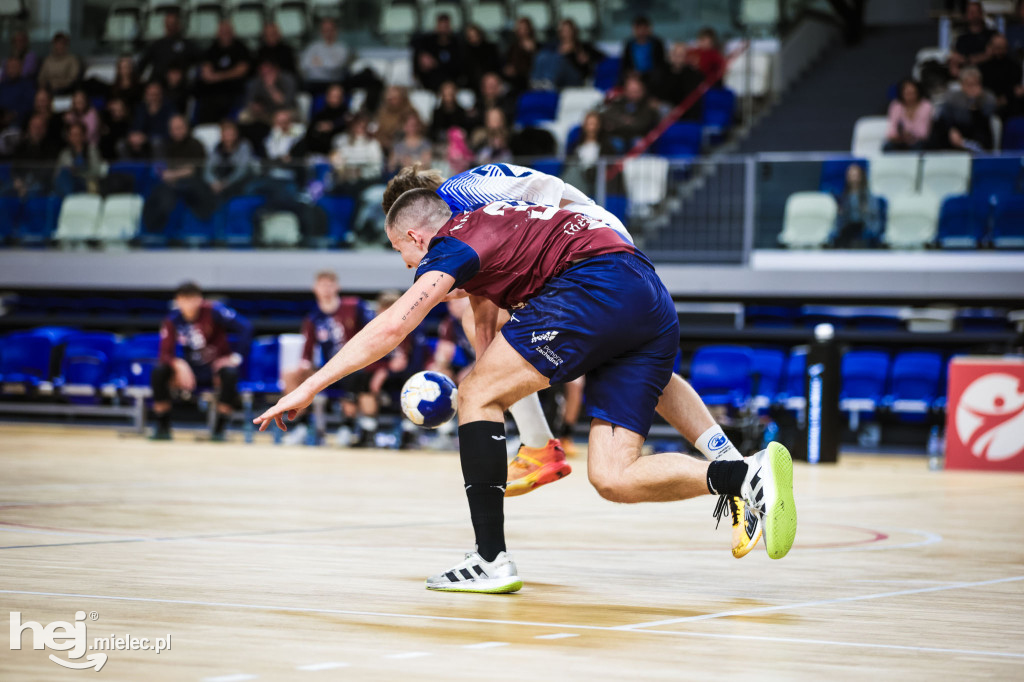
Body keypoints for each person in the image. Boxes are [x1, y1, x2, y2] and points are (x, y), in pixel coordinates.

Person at [254, 189, 796, 592]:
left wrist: (309, 387)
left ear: (416, 238)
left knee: (473, 396)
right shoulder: (499, 215)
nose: (408, 267)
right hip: (645, 292)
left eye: (403, 255)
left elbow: (394, 326)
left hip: (591, 285)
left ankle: (490, 559)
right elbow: (488, 336)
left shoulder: (452, 245)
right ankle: (743, 474)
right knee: (612, 476)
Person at [378, 163, 761, 557]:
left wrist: (487, 393)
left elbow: (541, 216)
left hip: (586, 254)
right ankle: (736, 468)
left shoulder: (463, 200)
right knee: (644, 372)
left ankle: (538, 444)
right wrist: (490, 392)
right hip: (600, 247)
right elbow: (486, 313)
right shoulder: (470, 202)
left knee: (478, 320)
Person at [280, 271, 373, 446]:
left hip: (356, 364)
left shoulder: (353, 306)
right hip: (330, 367)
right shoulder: (314, 318)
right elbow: (307, 351)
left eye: (330, 285)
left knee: (355, 375)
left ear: (337, 287)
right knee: (290, 375)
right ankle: (300, 425)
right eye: (322, 285)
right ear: (315, 289)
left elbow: (372, 330)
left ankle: (346, 426)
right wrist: (304, 366)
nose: (326, 289)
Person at [152, 282, 252, 441]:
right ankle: (162, 426)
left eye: (192, 299)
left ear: (200, 299)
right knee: (159, 371)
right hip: (190, 369)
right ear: (177, 300)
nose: (189, 304)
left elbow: (245, 326)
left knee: (230, 374)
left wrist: (235, 358)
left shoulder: (214, 311)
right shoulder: (172, 319)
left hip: (214, 366)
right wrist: (179, 364)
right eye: (184, 299)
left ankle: (219, 429)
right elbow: (164, 353)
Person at [141, 114, 214, 234]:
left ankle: (198, 233)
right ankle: (154, 233)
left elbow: (192, 169)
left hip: (192, 183)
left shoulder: (195, 144)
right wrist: (166, 175)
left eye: (180, 127)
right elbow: (158, 168)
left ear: (186, 127)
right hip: (169, 184)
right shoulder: (165, 145)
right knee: (155, 197)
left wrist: (173, 175)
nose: (177, 131)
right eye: (174, 128)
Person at [195, 20, 252, 124]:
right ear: (217, 33)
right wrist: (228, 74)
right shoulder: (212, 49)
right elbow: (206, 73)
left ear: (233, 32)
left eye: (228, 31)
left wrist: (217, 77)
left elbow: (242, 70)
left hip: (235, 92)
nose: (225, 34)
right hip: (213, 94)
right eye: (222, 32)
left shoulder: (241, 48)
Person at [929, 66, 996, 151]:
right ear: (962, 84)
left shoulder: (988, 98)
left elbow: (985, 120)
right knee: (938, 131)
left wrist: (975, 104)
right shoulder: (953, 97)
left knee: (981, 134)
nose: (972, 88)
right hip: (957, 131)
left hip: (977, 131)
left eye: (975, 83)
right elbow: (944, 117)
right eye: (968, 84)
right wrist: (951, 130)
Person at [137, 9, 201, 84]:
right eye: (168, 24)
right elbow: (142, 64)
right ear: (165, 25)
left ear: (178, 25)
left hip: (181, 87)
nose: (170, 27)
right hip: (159, 86)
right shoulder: (157, 45)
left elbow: (201, 61)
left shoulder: (187, 45)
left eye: (173, 24)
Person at [829, 164, 882, 248]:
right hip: (847, 230)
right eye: (850, 175)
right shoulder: (843, 197)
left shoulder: (869, 198)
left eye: (855, 175)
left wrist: (866, 211)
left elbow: (874, 218)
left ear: (861, 176)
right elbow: (840, 219)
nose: (852, 178)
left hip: (864, 228)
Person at [602, 72, 661, 147]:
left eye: (636, 92)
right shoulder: (618, 102)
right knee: (614, 144)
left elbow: (642, 125)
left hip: (638, 136)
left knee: (638, 143)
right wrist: (626, 121)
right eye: (631, 91)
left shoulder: (648, 105)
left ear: (643, 91)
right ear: (625, 91)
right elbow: (608, 115)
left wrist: (619, 123)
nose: (633, 94)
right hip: (618, 136)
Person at [565, 111, 616, 195]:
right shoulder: (576, 146)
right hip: (579, 176)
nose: (591, 128)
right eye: (589, 124)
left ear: (599, 125)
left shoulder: (605, 146)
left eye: (594, 124)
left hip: (596, 179)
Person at [651, 43, 705, 121]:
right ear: (670, 55)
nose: (677, 57)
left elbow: (692, 97)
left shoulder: (693, 74)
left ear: (686, 57)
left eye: (680, 55)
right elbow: (654, 92)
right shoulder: (661, 71)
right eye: (675, 54)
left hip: (685, 110)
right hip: (664, 108)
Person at [204, 119, 254, 203]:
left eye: (231, 135)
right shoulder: (217, 148)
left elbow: (242, 170)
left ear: (236, 135)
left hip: (237, 181)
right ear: (222, 136)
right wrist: (213, 182)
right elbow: (208, 169)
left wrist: (226, 183)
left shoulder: (244, 146)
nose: (229, 138)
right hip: (219, 180)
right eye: (226, 135)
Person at [10, 114, 60, 197]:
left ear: (45, 129)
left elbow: (48, 170)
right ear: (29, 128)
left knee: (35, 191)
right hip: (21, 182)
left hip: (41, 183)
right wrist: (17, 180)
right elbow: (14, 167)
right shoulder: (21, 147)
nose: (37, 130)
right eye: (34, 127)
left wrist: (28, 184)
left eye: (40, 127)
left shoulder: (52, 147)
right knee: (5, 191)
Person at [239, 60, 298, 128]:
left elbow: (285, 102)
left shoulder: (287, 79)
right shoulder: (256, 82)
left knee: (282, 117)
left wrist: (271, 87)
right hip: (266, 111)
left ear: (276, 70)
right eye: (263, 72)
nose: (266, 74)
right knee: (244, 116)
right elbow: (249, 101)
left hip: (286, 110)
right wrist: (255, 107)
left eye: (269, 71)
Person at [412, 13, 462, 91]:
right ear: (436, 27)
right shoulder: (427, 42)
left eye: (445, 27)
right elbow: (413, 43)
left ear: (450, 27)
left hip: (452, 82)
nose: (443, 30)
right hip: (430, 83)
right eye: (440, 27)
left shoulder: (457, 43)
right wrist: (421, 56)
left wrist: (436, 63)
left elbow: (457, 66)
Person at [977, 34, 1024, 117]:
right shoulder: (982, 67)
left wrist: (1004, 99)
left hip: (1009, 103)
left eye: (1003, 48)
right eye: (997, 48)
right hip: (986, 102)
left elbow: (1016, 89)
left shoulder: (1014, 66)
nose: (1000, 51)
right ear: (990, 47)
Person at [300, 18, 349, 96]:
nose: (328, 33)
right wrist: (325, 63)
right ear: (321, 32)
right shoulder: (313, 47)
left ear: (335, 31)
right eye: (325, 30)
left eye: (330, 30)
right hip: (313, 83)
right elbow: (304, 64)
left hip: (333, 83)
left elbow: (335, 66)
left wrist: (318, 62)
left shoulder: (342, 48)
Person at [331, 113, 384, 184]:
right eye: (357, 126)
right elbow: (337, 162)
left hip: (366, 181)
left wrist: (360, 173)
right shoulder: (343, 141)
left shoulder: (373, 145)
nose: (359, 129)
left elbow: (377, 169)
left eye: (362, 127)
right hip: (345, 180)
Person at [54, 122, 102, 195]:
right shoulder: (65, 153)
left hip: (87, 182)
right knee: (64, 174)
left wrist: (81, 170)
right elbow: (57, 173)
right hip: (70, 183)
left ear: (83, 136)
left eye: (78, 135)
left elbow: (97, 170)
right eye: (72, 135)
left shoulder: (91, 150)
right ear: (69, 137)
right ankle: (69, 198)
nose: (75, 138)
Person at [883, 79, 933, 151]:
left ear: (918, 92)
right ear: (902, 93)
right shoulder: (896, 105)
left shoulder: (926, 105)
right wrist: (898, 136)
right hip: (899, 141)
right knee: (888, 147)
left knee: (918, 146)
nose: (910, 96)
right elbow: (892, 130)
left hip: (918, 141)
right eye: (907, 93)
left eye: (912, 93)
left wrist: (910, 134)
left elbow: (923, 133)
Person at [950, 1, 997, 74]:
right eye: (970, 12)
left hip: (990, 75)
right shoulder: (961, 39)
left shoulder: (992, 35)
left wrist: (966, 60)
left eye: (975, 11)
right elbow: (957, 59)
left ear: (981, 14)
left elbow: (992, 54)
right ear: (965, 15)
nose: (973, 15)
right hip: (969, 77)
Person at [303, 83, 349, 157]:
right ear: (327, 97)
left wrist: (332, 126)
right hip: (319, 153)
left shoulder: (346, 116)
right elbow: (309, 135)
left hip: (341, 153)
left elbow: (347, 125)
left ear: (342, 98)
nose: (334, 100)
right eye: (332, 96)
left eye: (337, 97)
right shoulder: (320, 115)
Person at [621, 15, 666, 87]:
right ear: (634, 29)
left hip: (652, 76)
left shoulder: (657, 43)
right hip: (634, 76)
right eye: (638, 28)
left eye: (644, 28)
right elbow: (625, 64)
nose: (641, 32)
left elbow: (661, 64)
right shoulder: (629, 44)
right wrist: (631, 73)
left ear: (649, 29)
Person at [131, 81, 175, 154]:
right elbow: (135, 126)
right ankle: (130, 165)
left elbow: (169, 132)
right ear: (146, 95)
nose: (153, 98)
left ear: (161, 95)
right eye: (150, 95)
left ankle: (159, 165)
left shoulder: (168, 108)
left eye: (156, 95)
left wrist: (147, 137)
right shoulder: (141, 108)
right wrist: (132, 136)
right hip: (142, 140)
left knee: (156, 142)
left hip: (162, 140)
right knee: (122, 144)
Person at [374, 85, 416, 154]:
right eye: (390, 99)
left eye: (395, 98)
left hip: (408, 148)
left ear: (402, 98)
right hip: (385, 149)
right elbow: (379, 132)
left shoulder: (409, 111)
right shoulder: (383, 113)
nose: (392, 101)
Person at [461, 24, 500, 94]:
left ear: (480, 34)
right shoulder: (465, 52)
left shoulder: (490, 48)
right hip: (473, 84)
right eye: (470, 36)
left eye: (475, 35)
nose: (474, 38)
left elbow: (496, 66)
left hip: (491, 80)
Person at [503, 17, 537, 94]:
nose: (523, 31)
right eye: (520, 28)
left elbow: (534, 65)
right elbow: (508, 63)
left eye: (525, 28)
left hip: (530, 78)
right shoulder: (512, 47)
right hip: (515, 80)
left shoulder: (536, 46)